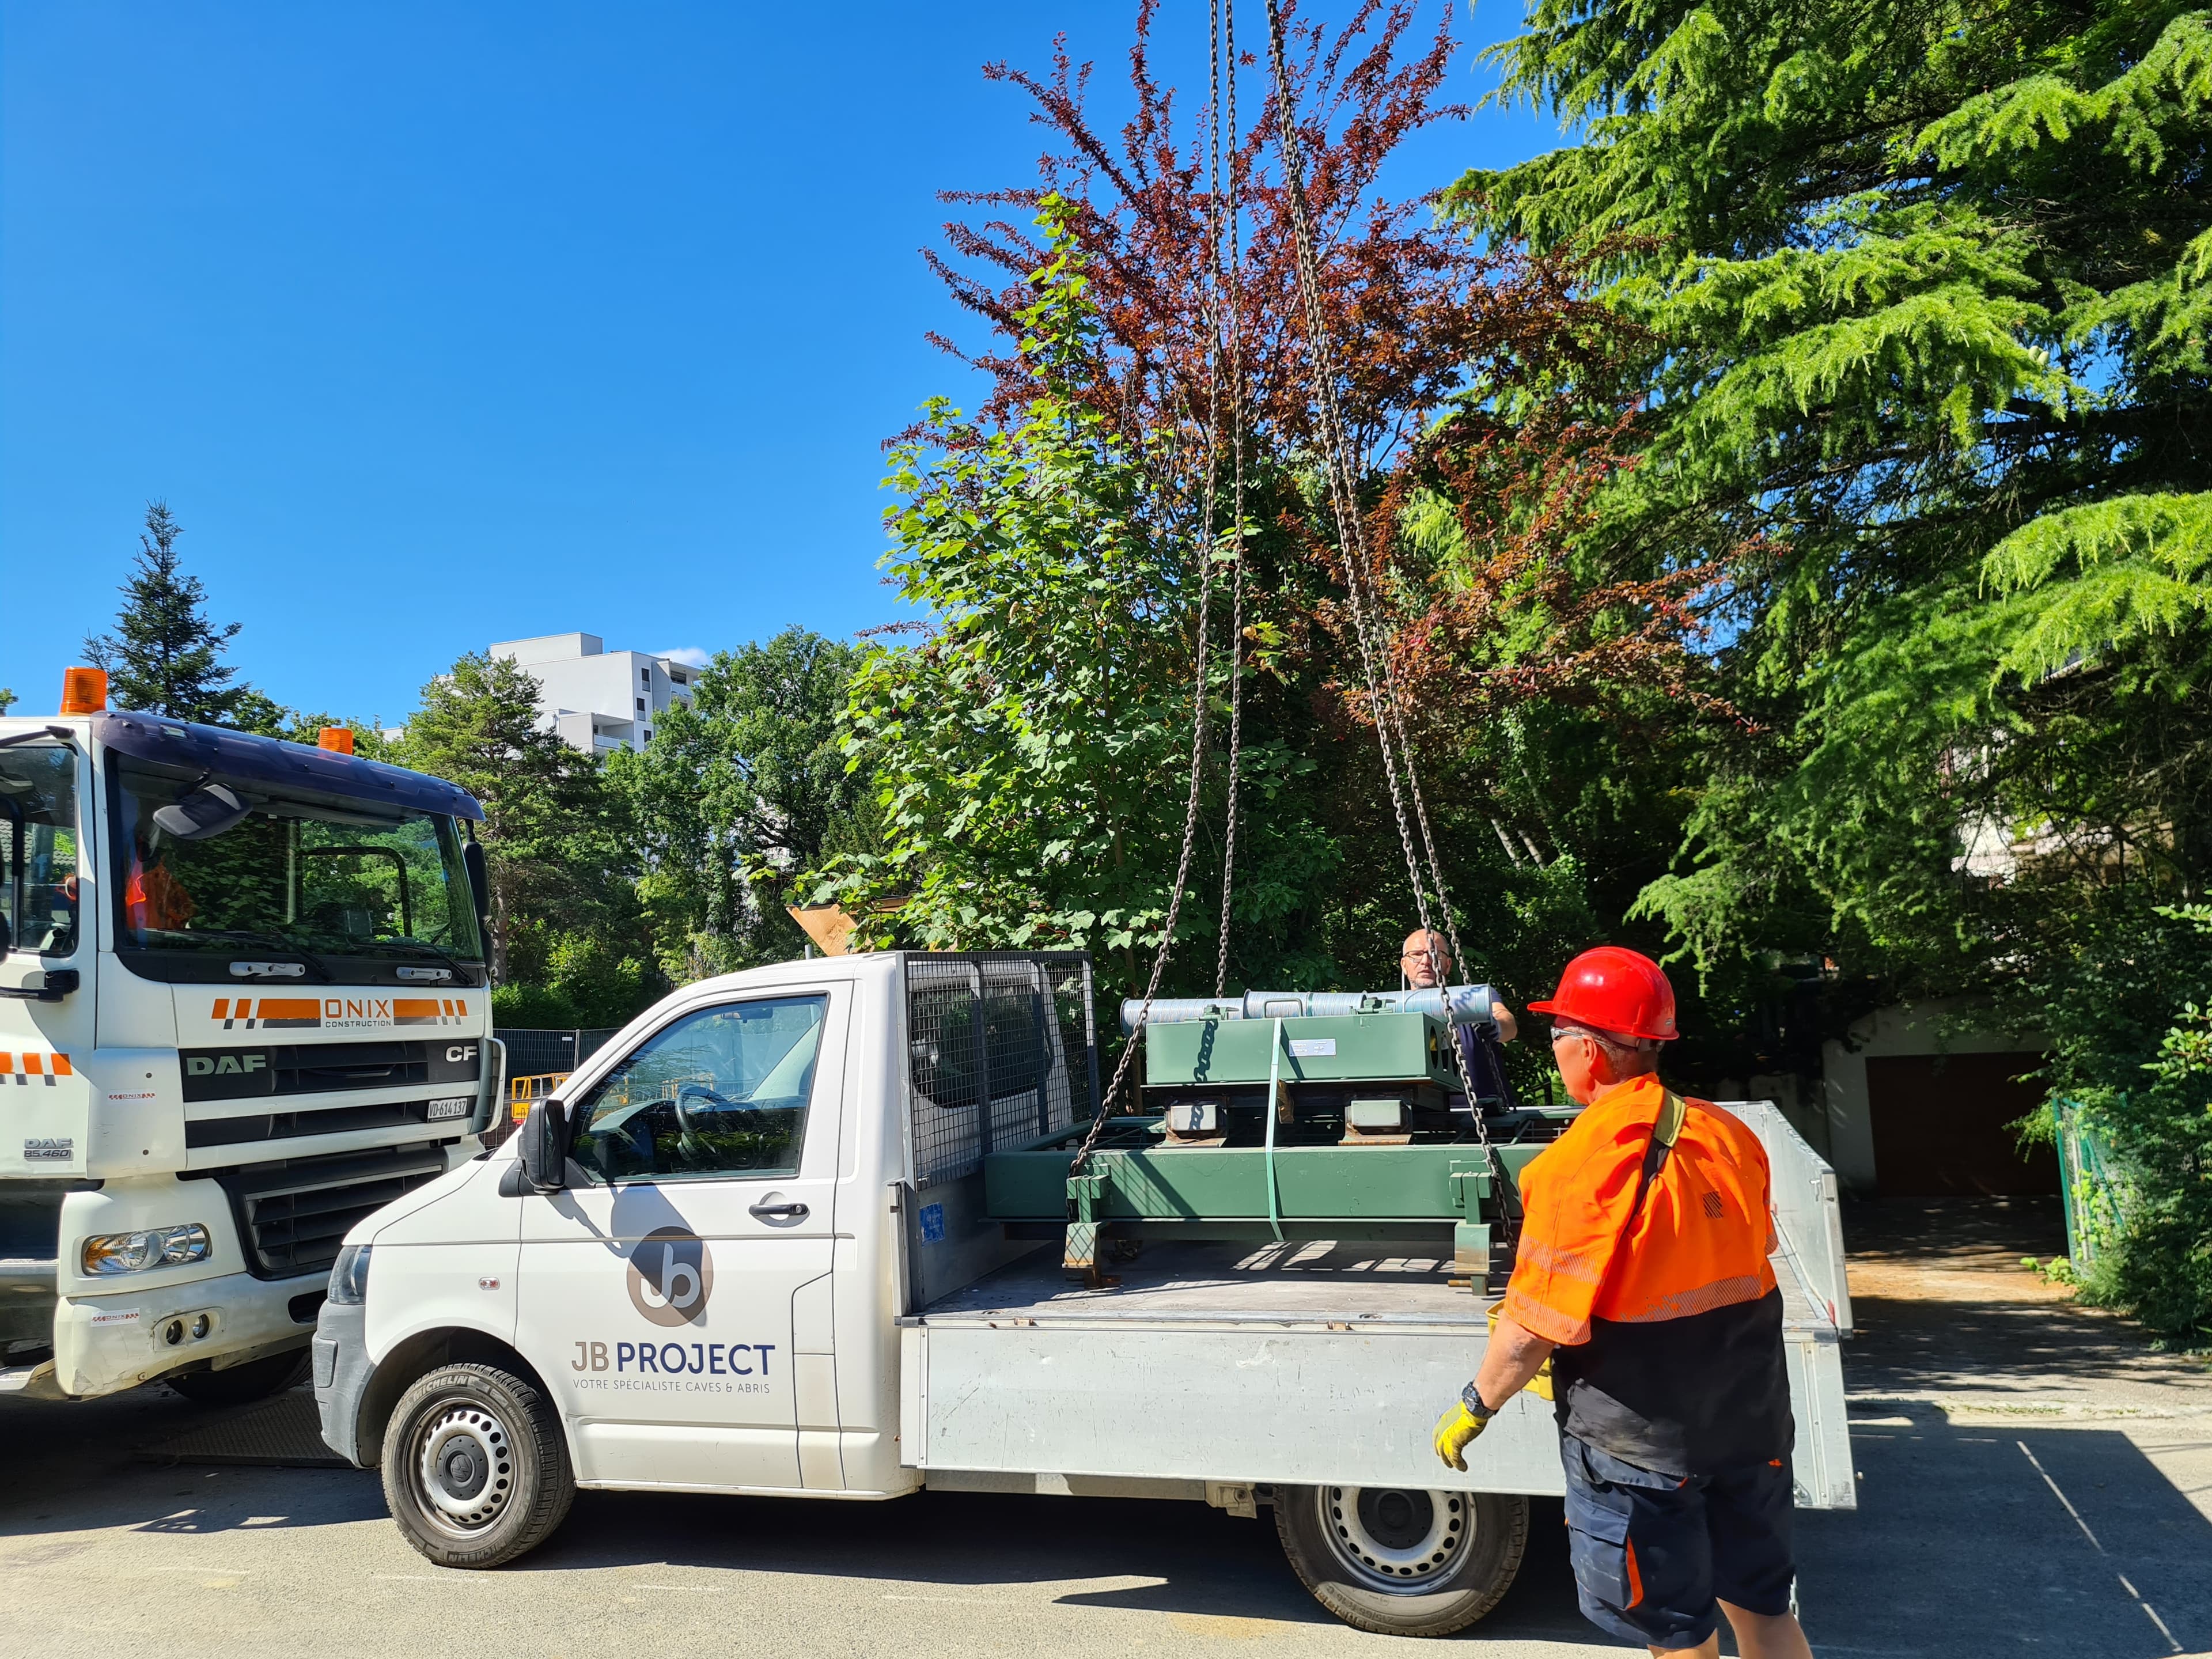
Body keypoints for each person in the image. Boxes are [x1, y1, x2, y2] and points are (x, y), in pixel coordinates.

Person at [1430, 946, 1812, 1659]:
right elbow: (1746, 1252)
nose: (1553, 1050)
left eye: (1557, 1035)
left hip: (1642, 1449)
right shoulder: (1729, 1135)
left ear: (1589, 1051)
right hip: (1751, 1427)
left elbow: (1531, 1327)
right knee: (1764, 1612)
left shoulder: (1580, 1164)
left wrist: (1475, 1406)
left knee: (1677, 1634)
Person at [1400, 927, 1518, 1111]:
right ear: (1404, 965)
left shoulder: (1474, 999)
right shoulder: (1391, 1007)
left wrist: (1496, 1027)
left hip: (1484, 1115)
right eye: (1416, 954)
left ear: (1448, 965)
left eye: (1435, 954)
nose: (1426, 961)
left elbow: (1507, 1023)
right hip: (1415, 1115)